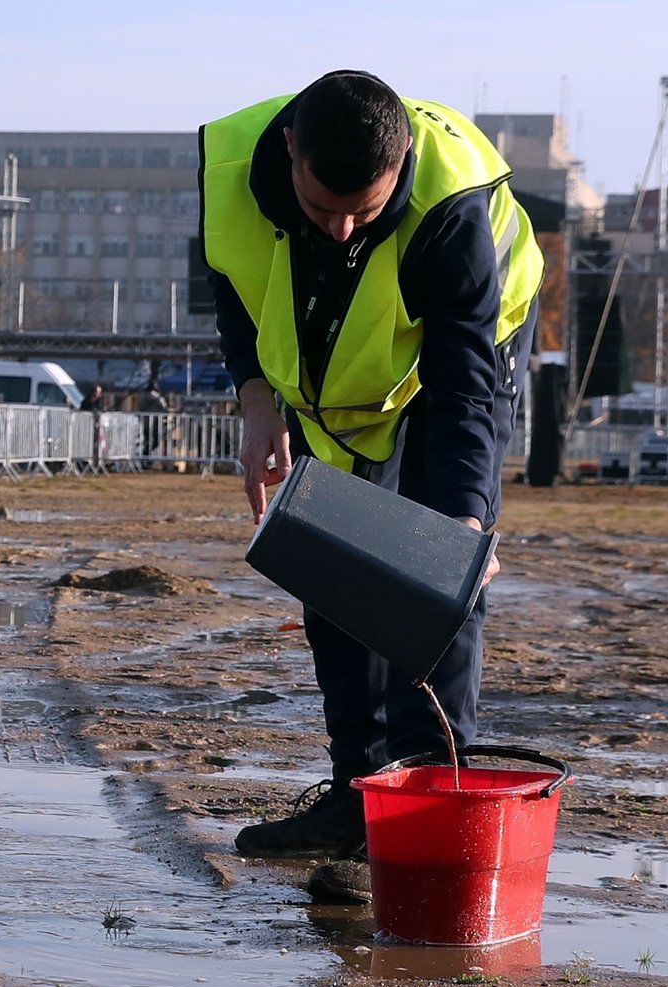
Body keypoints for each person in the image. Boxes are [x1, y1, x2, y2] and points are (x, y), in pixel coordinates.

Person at [199, 71, 543, 902]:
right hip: (338, 371)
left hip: (460, 352)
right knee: (331, 548)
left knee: (428, 564)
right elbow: (233, 285)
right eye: (323, 210)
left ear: (407, 160)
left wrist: (464, 521)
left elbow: (464, 387)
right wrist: (254, 400)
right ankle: (355, 795)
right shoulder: (229, 170)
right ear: (290, 153)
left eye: (365, 209)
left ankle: (422, 804)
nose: (345, 226)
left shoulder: (450, 209)